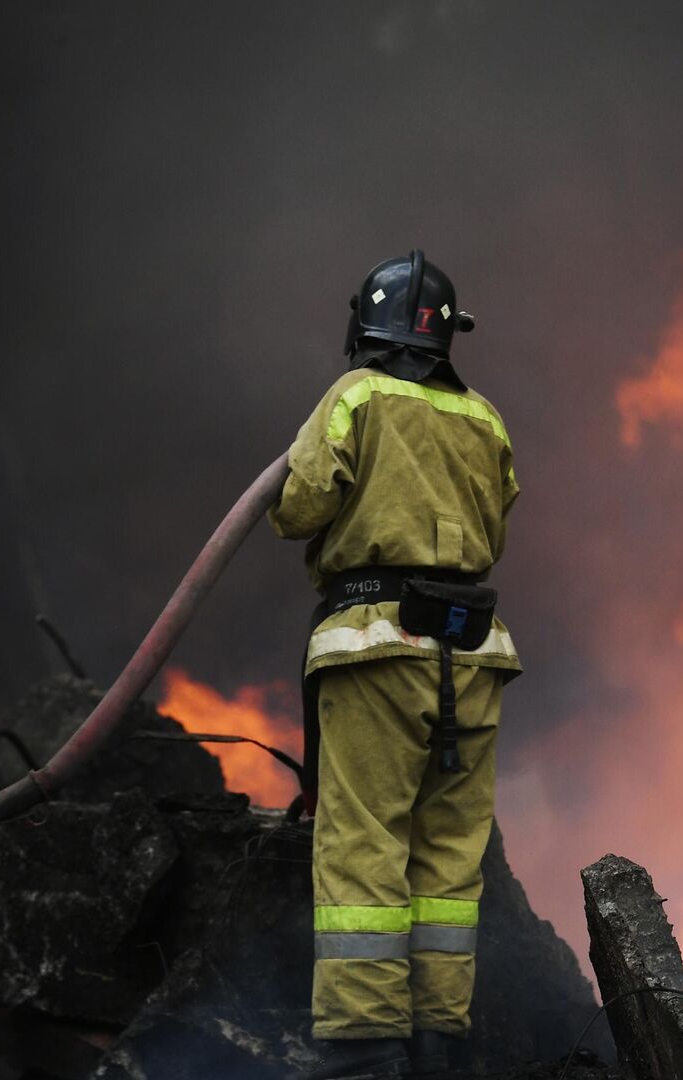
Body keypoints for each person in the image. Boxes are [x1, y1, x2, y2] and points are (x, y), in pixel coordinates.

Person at [267, 250, 521, 1079]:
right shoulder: (486, 419)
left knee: (364, 842)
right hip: (473, 652)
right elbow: (501, 514)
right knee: (449, 860)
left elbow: (298, 504)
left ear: (365, 324)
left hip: (377, 646)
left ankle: (365, 1054)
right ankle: (439, 1045)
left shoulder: (357, 397)